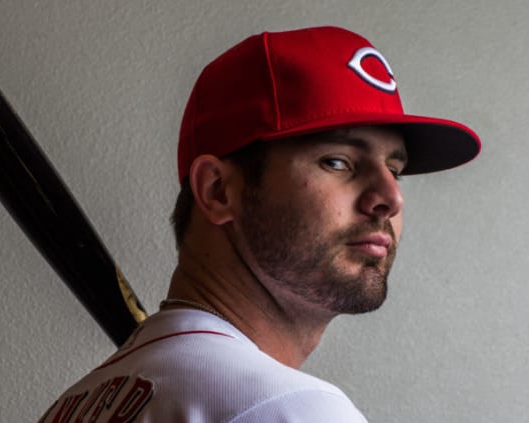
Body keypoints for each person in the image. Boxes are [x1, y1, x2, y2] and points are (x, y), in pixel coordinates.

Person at [38, 26, 480, 422]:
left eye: (395, 170)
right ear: (217, 191)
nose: (390, 197)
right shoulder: (288, 408)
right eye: (338, 161)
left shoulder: (75, 404)